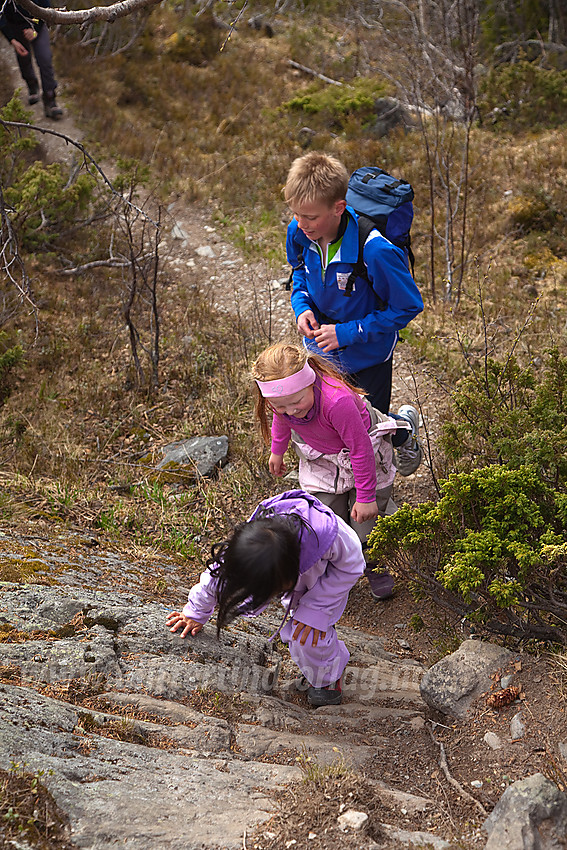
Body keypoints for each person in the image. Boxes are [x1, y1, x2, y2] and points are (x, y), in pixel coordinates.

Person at [284, 152, 423, 475]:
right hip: (323, 351)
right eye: (296, 215)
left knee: (369, 428)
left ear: (339, 207)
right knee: (330, 419)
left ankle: (402, 432)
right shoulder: (300, 230)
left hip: (368, 354)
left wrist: (346, 333)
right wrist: (302, 306)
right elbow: (299, 271)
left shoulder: (374, 249)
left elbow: (408, 306)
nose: (301, 225)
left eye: (310, 217)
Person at [166, 489, 365, 708]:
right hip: (287, 567)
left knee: (306, 634)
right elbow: (217, 579)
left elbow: (353, 564)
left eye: (274, 591)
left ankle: (327, 677)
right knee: (300, 625)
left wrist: (316, 609)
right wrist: (195, 613)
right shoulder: (249, 547)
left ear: (292, 572)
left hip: (326, 577)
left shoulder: (326, 536)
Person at [251, 342, 409, 600]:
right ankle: (333, 569)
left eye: (297, 402)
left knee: (365, 519)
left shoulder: (338, 401)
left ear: (309, 382)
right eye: (281, 406)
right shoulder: (285, 402)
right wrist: (277, 451)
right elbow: (282, 420)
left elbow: (360, 450)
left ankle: (374, 564)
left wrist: (366, 497)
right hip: (324, 458)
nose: (291, 411)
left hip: (363, 450)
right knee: (326, 516)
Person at [0, 0, 63, 119]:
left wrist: (35, 29)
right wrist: (12, 40)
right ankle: (32, 84)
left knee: (45, 58)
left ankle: (50, 98)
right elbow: (1, 17)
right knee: (23, 57)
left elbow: (46, 8)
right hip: (15, 27)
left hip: (37, 23)